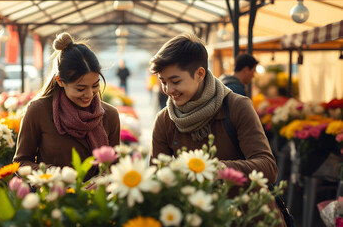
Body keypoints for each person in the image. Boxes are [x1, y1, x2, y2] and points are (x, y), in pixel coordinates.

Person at [149, 34, 285, 226]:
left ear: (200, 74)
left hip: (247, 217)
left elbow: (268, 168)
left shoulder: (237, 106)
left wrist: (217, 169)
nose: (168, 89)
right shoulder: (164, 120)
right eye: (163, 81)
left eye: (175, 81)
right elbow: (156, 178)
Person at [14, 32, 121, 181]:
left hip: (96, 201)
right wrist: (50, 175)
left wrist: (102, 180)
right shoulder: (39, 110)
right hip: (53, 198)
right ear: (60, 81)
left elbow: (115, 166)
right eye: (80, 88)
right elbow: (20, 162)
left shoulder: (109, 115)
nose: (89, 94)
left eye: (95, 85)